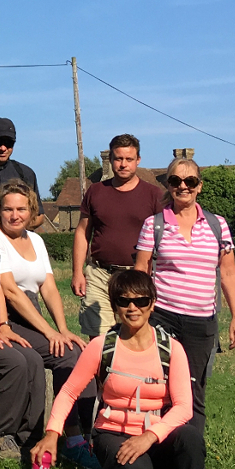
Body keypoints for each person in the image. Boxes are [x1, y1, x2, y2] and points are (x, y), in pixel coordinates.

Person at [31, 270, 205, 469]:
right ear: (114, 307)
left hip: (153, 435)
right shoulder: (102, 346)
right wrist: (52, 434)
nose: (132, 308)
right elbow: (69, 392)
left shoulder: (171, 349)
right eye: (124, 302)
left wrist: (149, 436)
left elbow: (183, 407)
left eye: (141, 301)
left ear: (152, 304)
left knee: (191, 438)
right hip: (113, 432)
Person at [0, 180, 97, 468]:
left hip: (32, 314)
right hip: (9, 317)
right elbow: (9, 290)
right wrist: (49, 333)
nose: (14, 215)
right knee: (66, 355)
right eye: (8, 209)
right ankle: (70, 438)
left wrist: (62, 329)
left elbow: (48, 288)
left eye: (21, 209)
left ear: (32, 210)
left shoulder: (36, 240)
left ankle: (88, 432)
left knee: (81, 351)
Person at [133, 155, 235, 425]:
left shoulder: (218, 225)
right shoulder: (154, 225)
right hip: (162, 317)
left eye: (190, 181)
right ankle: (155, 449)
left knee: (193, 391)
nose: (183, 186)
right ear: (168, 185)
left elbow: (228, 273)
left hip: (202, 322)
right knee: (159, 387)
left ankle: (190, 457)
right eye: (175, 180)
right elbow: (141, 273)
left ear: (199, 186)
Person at [71, 134, 165, 339]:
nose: (123, 164)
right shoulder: (96, 191)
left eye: (129, 159)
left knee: (134, 337)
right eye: (118, 159)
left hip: (137, 276)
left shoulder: (154, 195)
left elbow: (165, 238)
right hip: (100, 275)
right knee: (100, 339)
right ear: (111, 160)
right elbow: (82, 232)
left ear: (138, 160)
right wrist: (78, 272)